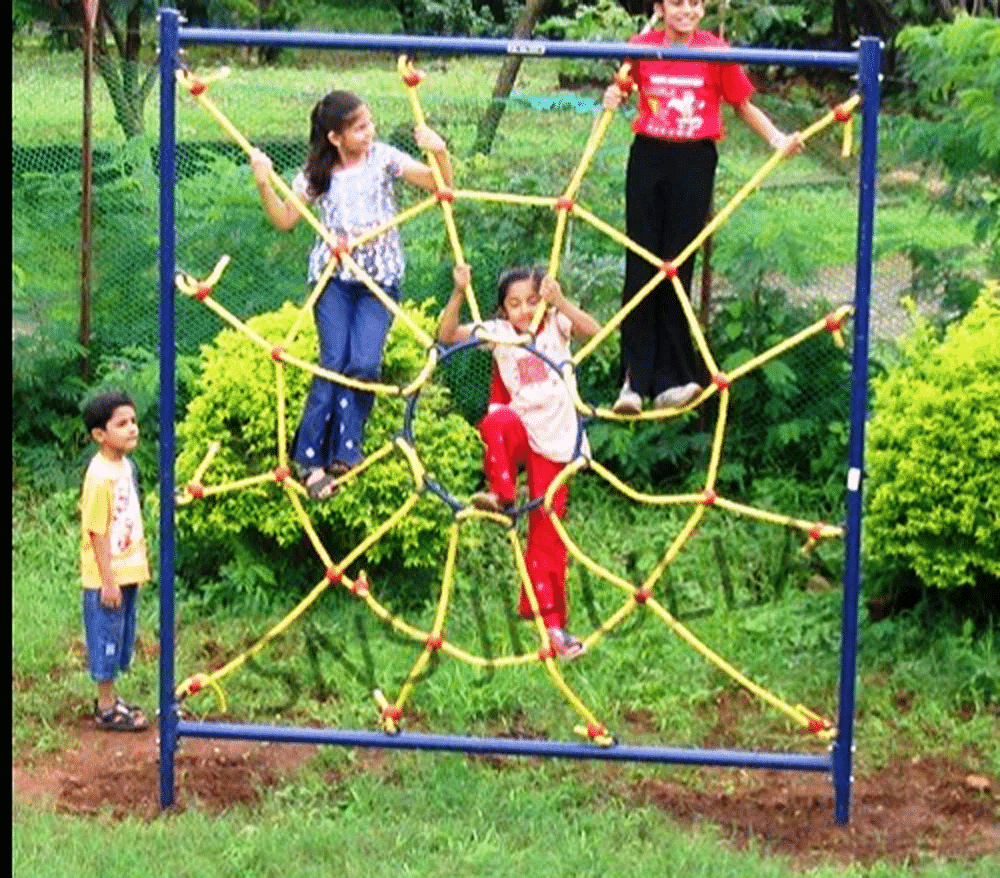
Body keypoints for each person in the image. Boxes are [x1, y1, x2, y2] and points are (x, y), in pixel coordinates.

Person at [249, 90, 454, 499]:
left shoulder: (383, 158)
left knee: (363, 363)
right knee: (333, 362)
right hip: (334, 278)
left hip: (380, 277)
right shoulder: (316, 174)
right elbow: (286, 219)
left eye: (369, 123)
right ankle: (310, 461)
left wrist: (441, 153)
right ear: (335, 137)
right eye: (360, 128)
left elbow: (442, 188)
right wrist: (263, 182)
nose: (370, 132)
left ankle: (345, 450)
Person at [604, 0, 803, 415]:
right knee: (641, 263)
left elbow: (743, 105)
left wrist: (777, 139)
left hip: (694, 159)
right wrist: (612, 96)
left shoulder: (716, 51)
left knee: (678, 265)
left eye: (694, 3)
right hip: (648, 157)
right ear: (661, 6)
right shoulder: (641, 46)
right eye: (677, 2)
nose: (686, 11)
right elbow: (621, 91)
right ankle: (633, 381)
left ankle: (673, 380)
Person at [438, 264, 602, 659]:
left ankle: (554, 631)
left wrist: (559, 299)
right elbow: (445, 337)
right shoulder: (498, 334)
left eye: (532, 301)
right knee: (495, 420)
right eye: (514, 304)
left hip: (558, 440)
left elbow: (595, 332)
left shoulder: (554, 325)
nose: (525, 311)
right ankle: (504, 496)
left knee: (547, 534)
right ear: (502, 310)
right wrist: (459, 293)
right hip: (520, 431)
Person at [80, 389, 151, 731]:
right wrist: (108, 580)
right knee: (106, 635)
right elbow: (97, 531)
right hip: (106, 576)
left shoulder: (126, 466)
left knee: (121, 635)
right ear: (100, 434)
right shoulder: (99, 476)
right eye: (121, 424)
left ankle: (111, 699)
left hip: (128, 568)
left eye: (134, 421)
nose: (132, 429)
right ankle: (106, 708)